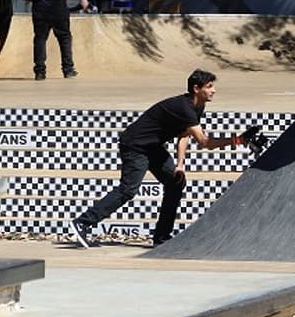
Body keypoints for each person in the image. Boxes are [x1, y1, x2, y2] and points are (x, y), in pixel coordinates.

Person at [69, 69, 262, 248]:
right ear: (196, 88)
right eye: (209, 86)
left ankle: (161, 237)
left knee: (176, 182)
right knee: (128, 190)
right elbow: (204, 142)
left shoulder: (197, 107)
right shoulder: (185, 107)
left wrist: (179, 165)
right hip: (135, 146)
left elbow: (184, 135)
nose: (214, 90)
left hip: (153, 147)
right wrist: (239, 140)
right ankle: (83, 223)